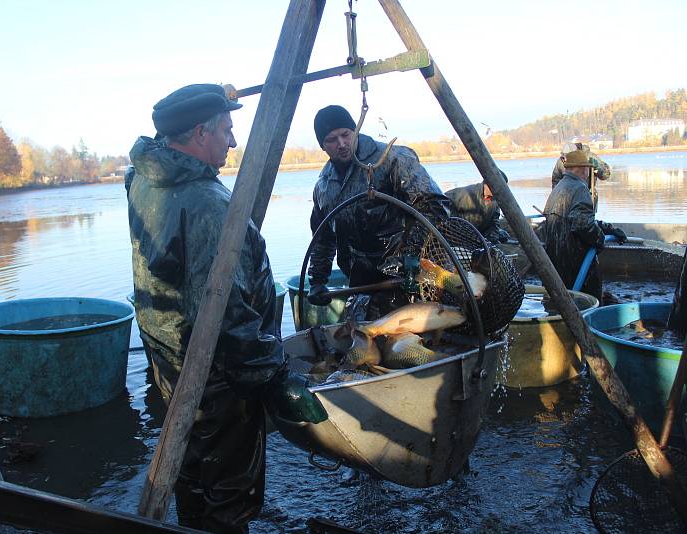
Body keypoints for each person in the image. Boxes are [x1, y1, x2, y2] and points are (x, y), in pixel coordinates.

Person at [127, 83, 327, 533]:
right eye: (226, 130)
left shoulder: (142, 176)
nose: (233, 142)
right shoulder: (210, 206)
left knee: (191, 467)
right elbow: (225, 315)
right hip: (217, 376)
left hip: (167, 358)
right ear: (199, 133)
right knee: (229, 490)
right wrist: (274, 378)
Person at [306, 105, 450, 310]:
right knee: (363, 336)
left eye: (345, 134)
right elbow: (323, 237)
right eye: (331, 139)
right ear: (323, 146)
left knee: (413, 335)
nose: (341, 144)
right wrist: (318, 280)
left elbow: (434, 205)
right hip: (361, 282)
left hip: (409, 275)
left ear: (355, 130)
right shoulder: (323, 186)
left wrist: (412, 255)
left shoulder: (392, 159)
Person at [539, 149, 626, 302]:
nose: (588, 173)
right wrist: (600, 240)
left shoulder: (558, 188)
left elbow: (573, 218)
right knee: (588, 302)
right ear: (583, 169)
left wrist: (608, 228)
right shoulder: (579, 189)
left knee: (559, 303)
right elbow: (582, 226)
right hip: (576, 262)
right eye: (588, 169)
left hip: (556, 262)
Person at [445, 174, 511, 245]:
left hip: (477, 235)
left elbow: (495, 222)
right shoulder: (465, 194)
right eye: (498, 187)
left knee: (503, 235)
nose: (499, 190)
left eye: (502, 188)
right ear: (486, 184)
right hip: (457, 234)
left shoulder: (496, 199)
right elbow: (442, 202)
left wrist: (492, 240)